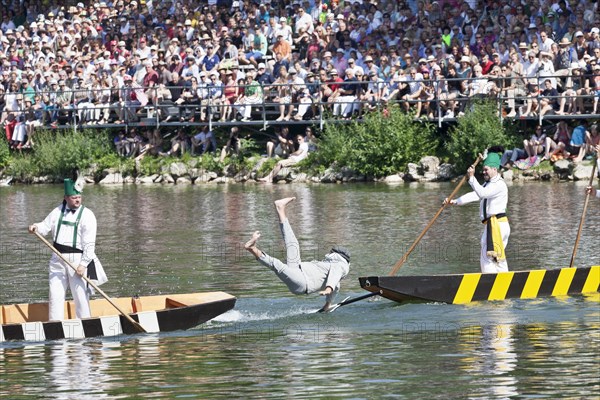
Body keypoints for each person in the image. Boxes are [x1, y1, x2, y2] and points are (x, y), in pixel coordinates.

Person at [244, 197, 350, 312]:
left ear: (336, 254)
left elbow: (335, 274)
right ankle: (280, 208)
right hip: (298, 270)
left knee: (276, 264)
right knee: (293, 244)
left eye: (331, 253)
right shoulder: (336, 278)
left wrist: (328, 289)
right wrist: (327, 305)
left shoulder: (340, 265)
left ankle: (252, 248)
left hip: (302, 281)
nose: (328, 254)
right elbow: (336, 286)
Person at [28, 178, 107, 321]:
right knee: (55, 295)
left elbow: (89, 244)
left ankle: (85, 323)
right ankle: (55, 324)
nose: (77, 200)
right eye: (73, 197)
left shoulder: (87, 215)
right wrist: (36, 227)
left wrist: (83, 265)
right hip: (57, 259)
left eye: (79, 197)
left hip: (77, 261)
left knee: (81, 296)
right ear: (65, 198)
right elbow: (44, 226)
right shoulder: (57, 211)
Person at [444, 152, 510, 273]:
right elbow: (475, 194)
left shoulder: (499, 184)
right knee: (497, 257)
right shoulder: (489, 184)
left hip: (497, 224)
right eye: (483, 170)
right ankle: (504, 283)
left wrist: (472, 178)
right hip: (495, 224)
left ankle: (488, 283)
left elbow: (482, 193)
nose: (484, 172)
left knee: (488, 256)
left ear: (494, 169)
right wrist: (455, 201)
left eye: (486, 170)